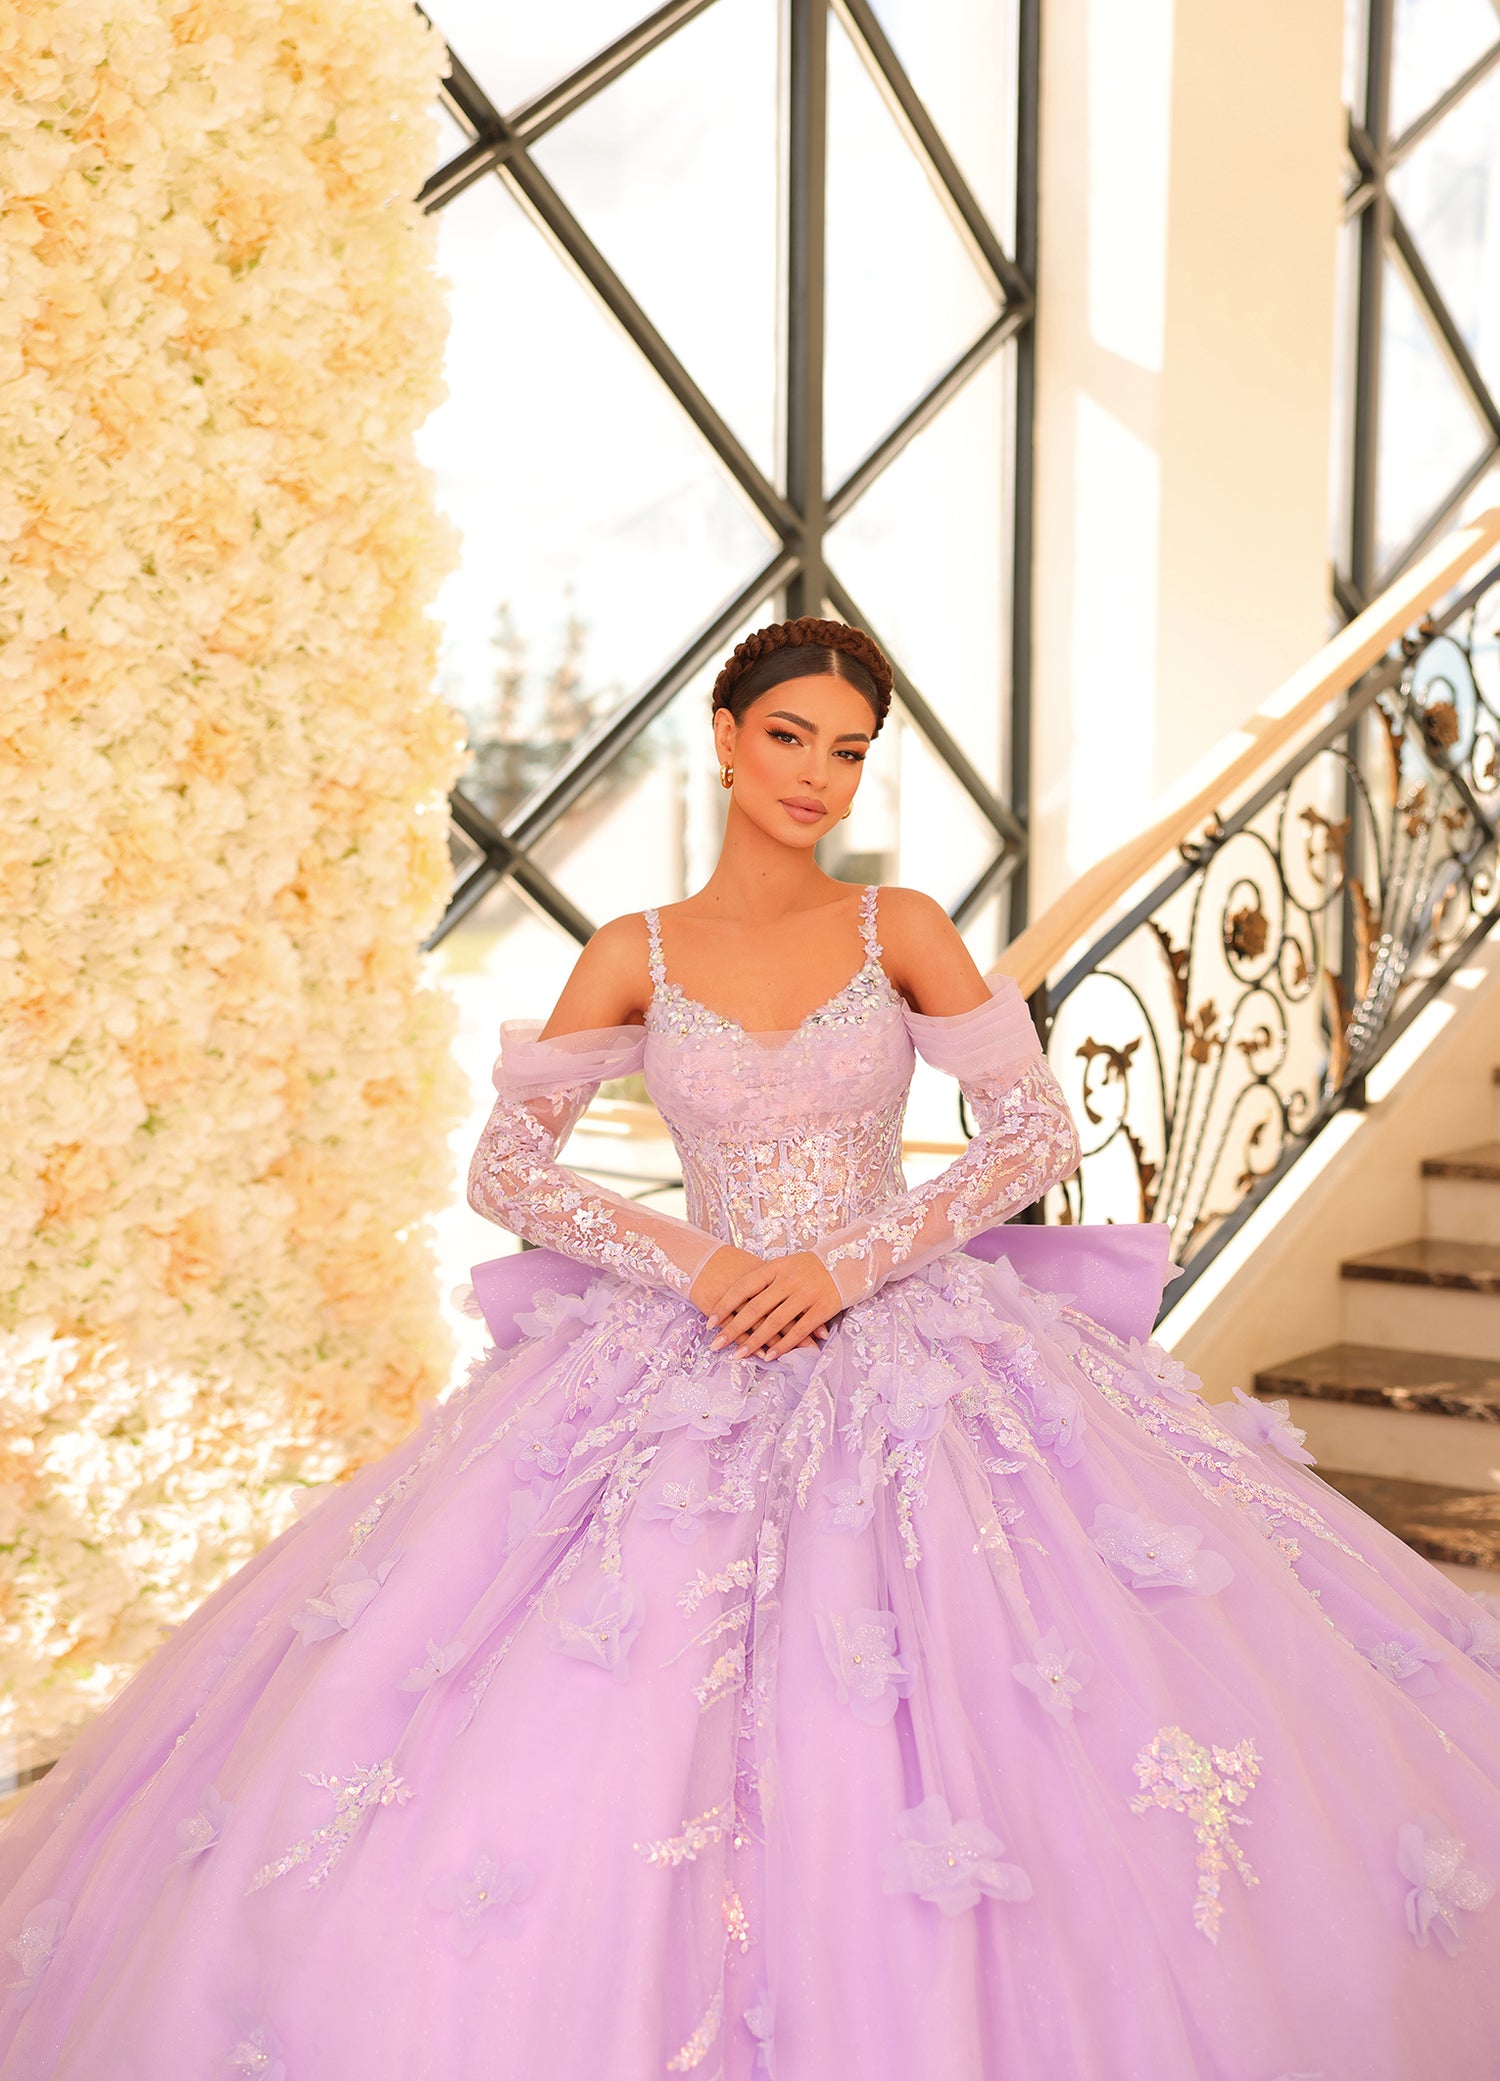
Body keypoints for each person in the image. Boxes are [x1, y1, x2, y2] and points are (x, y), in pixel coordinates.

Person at [2, 616, 1498, 2081]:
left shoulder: (896, 925)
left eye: (849, 751)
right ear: (726, 739)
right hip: (689, 1331)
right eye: (791, 737)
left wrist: (850, 1259)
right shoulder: (632, 950)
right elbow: (508, 1171)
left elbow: (1032, 1126)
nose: (818, 775)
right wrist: (700, 1257)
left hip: (903, 1323)